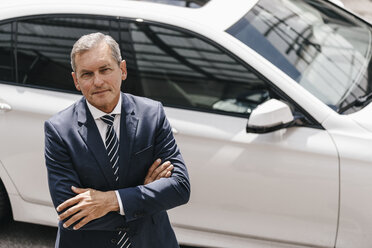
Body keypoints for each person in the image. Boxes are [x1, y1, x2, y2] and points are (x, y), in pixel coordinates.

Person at [44, 32, 190, 248]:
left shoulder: (152, 114)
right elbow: (71, 214)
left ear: (122, 70)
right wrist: (144, 195)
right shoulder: (59, 130)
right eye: (87, 74)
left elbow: (179, 188)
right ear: (76, 80)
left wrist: (112, 201)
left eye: (105, 69)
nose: (98, 81)